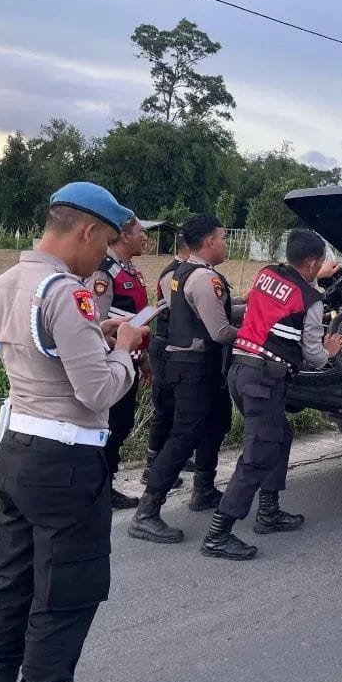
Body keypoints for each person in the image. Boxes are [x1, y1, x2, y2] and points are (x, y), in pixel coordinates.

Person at [0, 182, 147, 682]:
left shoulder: (4, 284)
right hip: (66, 461)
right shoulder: (65, 292)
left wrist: (91, 334)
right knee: (65, 593)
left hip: (16, 452)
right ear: (88, 230)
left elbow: (38, 353)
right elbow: (96, 391)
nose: (104, 255)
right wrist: (122, 347)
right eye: (106, 242)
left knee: (14, 580)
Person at [201, 229, 342, 559]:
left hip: (239, 370)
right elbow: (313, 355)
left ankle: (269, 511)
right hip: (264, 380)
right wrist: (331, 350)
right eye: (319, 262)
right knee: (257, 455)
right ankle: (218, 534)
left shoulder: (266, 274)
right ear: (312, 262)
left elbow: (279, 295)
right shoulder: (311, 302)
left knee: (280, 435)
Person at [129, 214, 246, 544]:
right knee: (184, 436)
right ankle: (147, 513)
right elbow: (220, 330)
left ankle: (204, 490)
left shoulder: (182, 272)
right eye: (223, 238)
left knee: (216, 424)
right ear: (209, 242)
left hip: (195, 364)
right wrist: (254, 333)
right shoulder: (204, 279)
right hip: (194, 367)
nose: (226, 244)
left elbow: (211, 313)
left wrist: (250, 308)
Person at [88, 216, 153, 509]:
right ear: (124, 235)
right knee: (112, 425)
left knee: (122, 423)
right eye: (141, 232)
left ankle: (104, 484)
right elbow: (95, 323)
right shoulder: (104, 274)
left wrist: (142, 360)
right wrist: (120, 350)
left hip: (129, 361)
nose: (145, 237)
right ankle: (98, 488)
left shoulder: (132, 272)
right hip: (110, 364)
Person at [142, 235, 192, 487]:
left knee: (176, 405)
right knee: (164, 406)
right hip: (163, 344)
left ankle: (172, 458)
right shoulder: (172, 273)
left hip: (175, 345)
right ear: (188, 249)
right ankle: (151, 466)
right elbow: (183, 308)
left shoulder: (182, 271)